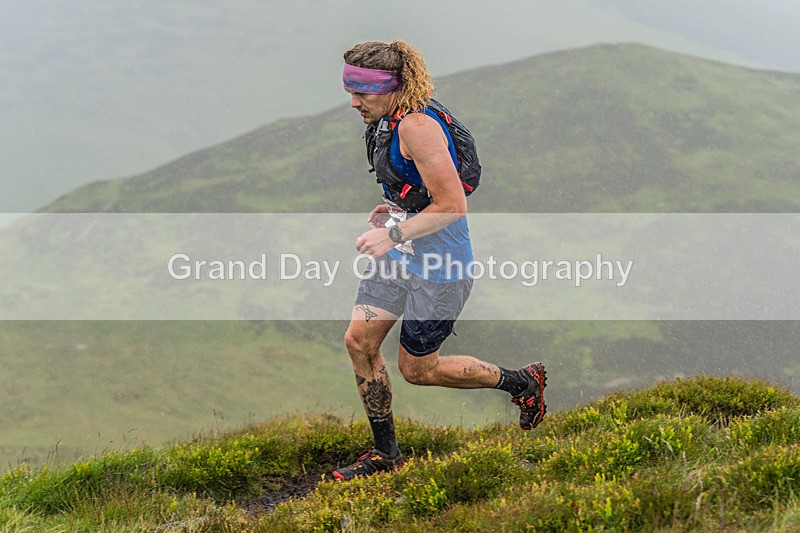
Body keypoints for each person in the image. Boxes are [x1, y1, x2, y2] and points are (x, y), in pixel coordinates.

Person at [332, 40, 546, 481]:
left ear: (393, 85)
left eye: (363, 91)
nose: (353, 101)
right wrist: (394, 210)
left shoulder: (417, 127)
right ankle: (386, 455)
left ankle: (521, 383)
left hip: (442, 268)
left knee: (418, 369)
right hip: (402, 255)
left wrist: (392, 233)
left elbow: (452, 205)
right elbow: (421, 190)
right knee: (360, 342)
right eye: (349, 88)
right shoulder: (386, 119)